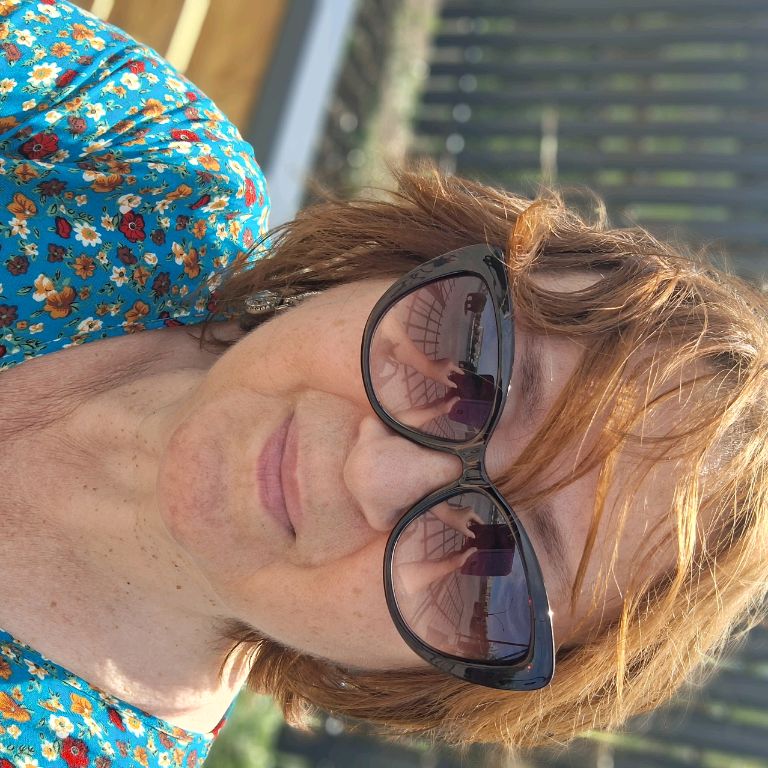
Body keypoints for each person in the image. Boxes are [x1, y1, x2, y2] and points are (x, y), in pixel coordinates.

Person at [1, 0, 767, 764]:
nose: (373, 472)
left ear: (425, 680)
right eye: (472, 364)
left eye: (486, 563)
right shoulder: (144, 170)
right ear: (416, 258)